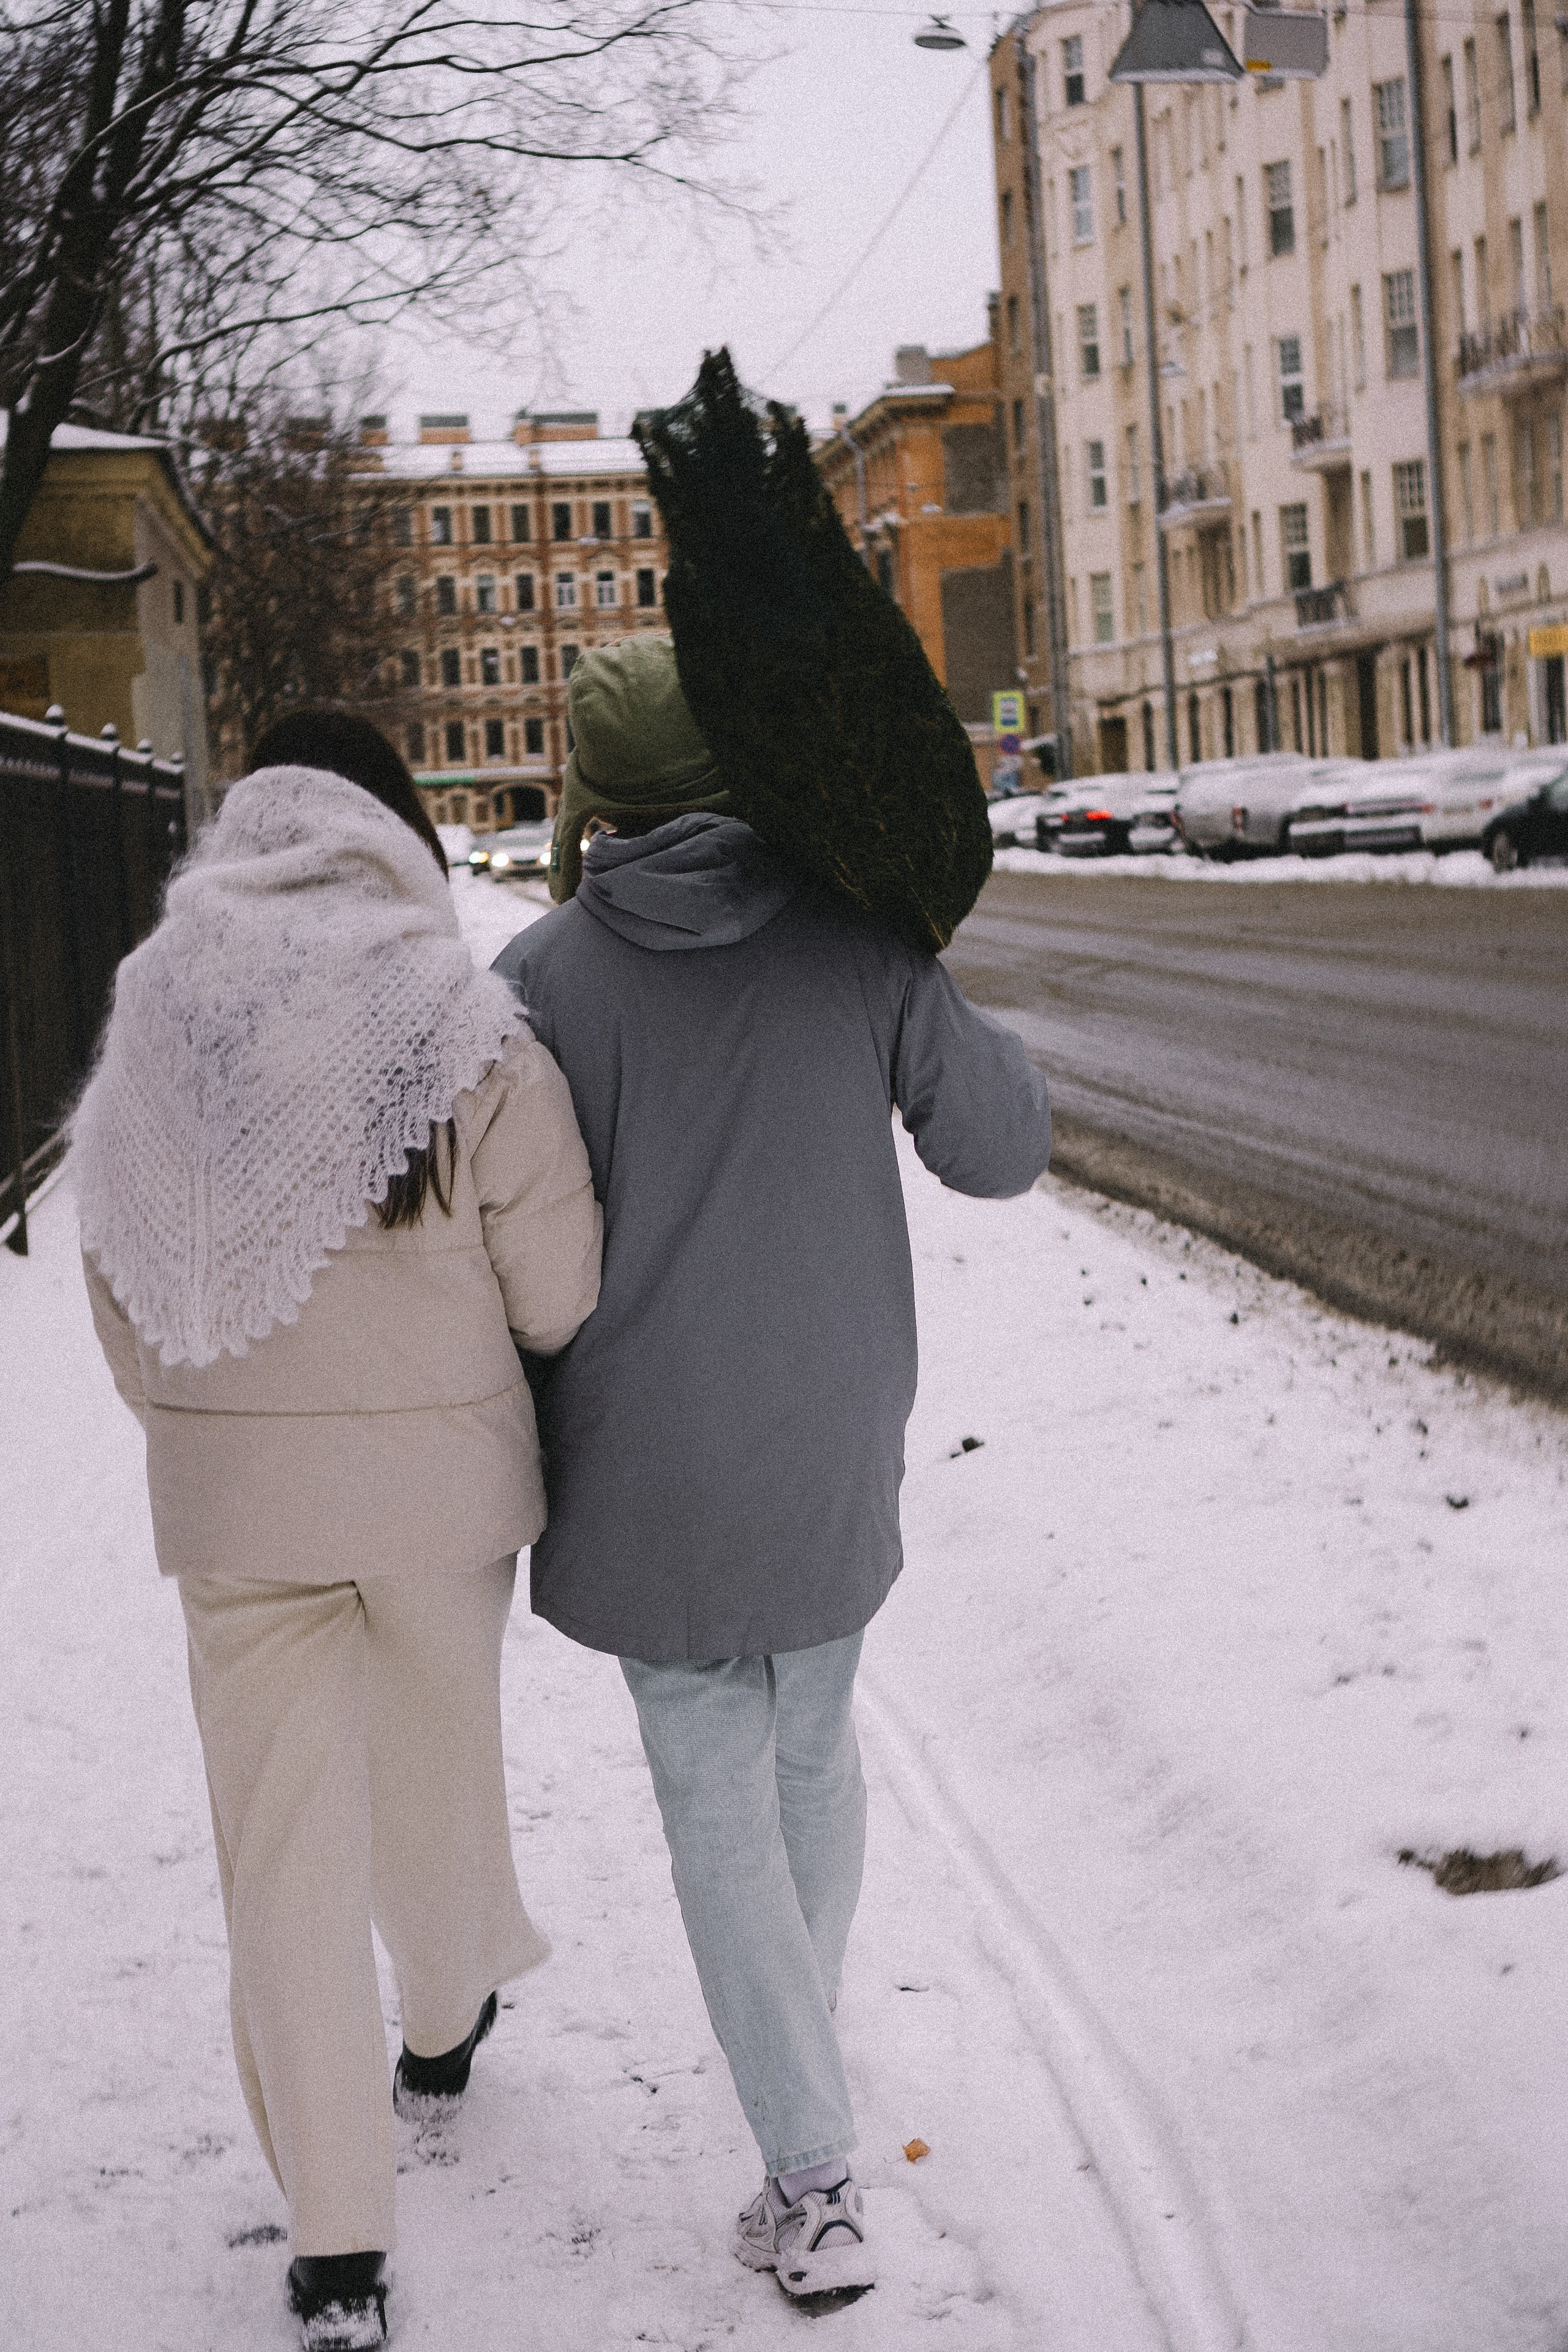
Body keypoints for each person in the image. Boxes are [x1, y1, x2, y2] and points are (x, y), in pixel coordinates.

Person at [494, 636, 1051, 2300]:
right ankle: (797, 2088)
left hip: (642, 1453)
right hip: (826, 1435)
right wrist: (922, 963)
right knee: (812, 1744)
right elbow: (1002, 1148)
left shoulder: (539, 980)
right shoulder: (859, 935)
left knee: (714, 1794)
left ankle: (809, 2175)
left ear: (601, 792)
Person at [73, 713, 601, 2352]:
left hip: (237, 1508)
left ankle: (339, 2248)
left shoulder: (160, 1012)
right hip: (444, 1498)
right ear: (393, 833)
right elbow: (561, 1293)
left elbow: (117, 1263)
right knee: (439, 1766)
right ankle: (443, 2026)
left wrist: (199, 1426)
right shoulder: (465, 1027)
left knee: (283, 1858)